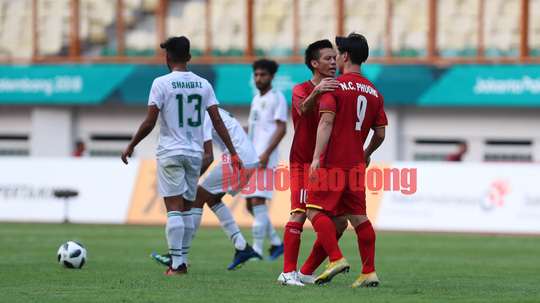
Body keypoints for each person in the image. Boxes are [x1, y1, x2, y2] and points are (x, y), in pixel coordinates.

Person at [121, 36, 242, 275]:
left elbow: (149, 122)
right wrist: (233, 151)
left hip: (171, 152)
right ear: (188, 57)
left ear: (167, 57)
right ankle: (182, 261)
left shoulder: (161, 83)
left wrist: (132, 144)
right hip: (195, 153)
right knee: (186, 208)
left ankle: (176, 265)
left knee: (174, 209)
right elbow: (217, 120)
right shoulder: (204, 84)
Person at [306, 33, 387, 287]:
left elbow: (326, 121)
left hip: (332, 161)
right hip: (355, 165)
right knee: (358, 217)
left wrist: (317, 157)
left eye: (337, 53)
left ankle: (336, 258)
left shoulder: (335, 85)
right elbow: (381, 133)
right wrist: (365, 153)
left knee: (313, 210)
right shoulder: (374, 92)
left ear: (345, 56)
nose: (335, 59)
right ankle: (369, 272)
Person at [150, 108, 259, 270]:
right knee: (212, 199)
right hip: (249, 159)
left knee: (195, 199)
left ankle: (178, 257)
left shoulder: (201, 114)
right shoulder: (211, 110)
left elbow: (207, 157)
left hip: (239, 159)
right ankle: (242, 246)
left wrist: (189, 182)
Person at [277, 39, 348, 286]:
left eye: (335, 57)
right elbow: (303, 111)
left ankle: (306, 271)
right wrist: (318, 91)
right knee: (299, 214)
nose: (333, 62)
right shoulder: (301, 89)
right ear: (314, 63)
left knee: (340, 222)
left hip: (328, 164)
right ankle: (287, 272)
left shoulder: (339, 88)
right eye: (328, 58)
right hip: (303, 161)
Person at [244, 59, 287, 260]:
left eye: (263, 75)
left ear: (271, 77)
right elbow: (254, 129)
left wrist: (266, 153)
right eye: (256, 75)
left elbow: (281, 128)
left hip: (264, 157)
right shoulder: (255, 99)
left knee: (257, 201)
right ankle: (277, 243)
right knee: (250, 205)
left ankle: (257, 250)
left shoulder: (276, 98)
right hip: (252, 156)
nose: (259, 78)